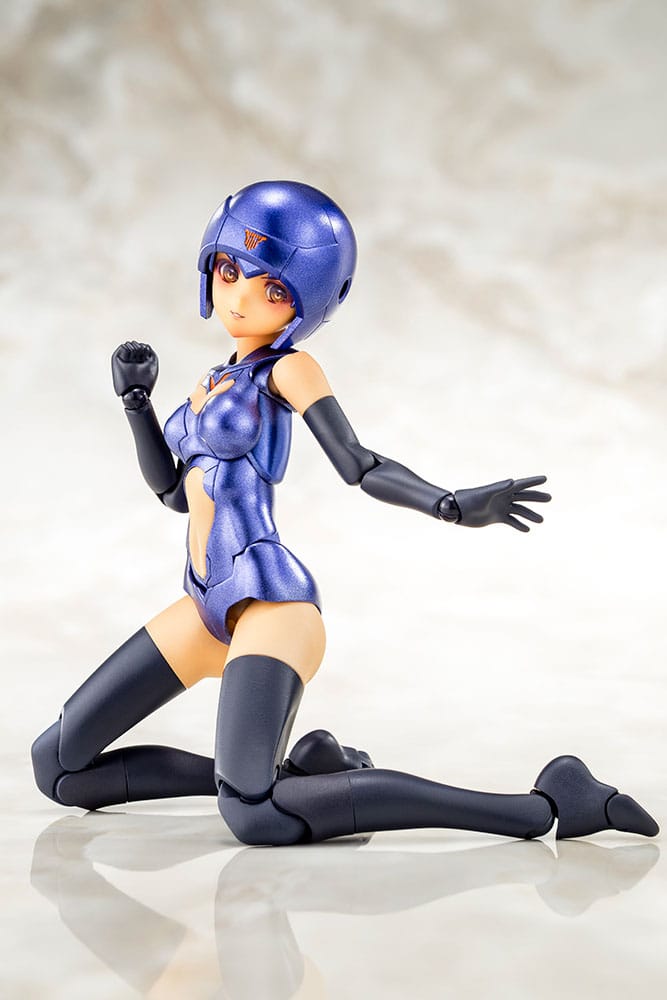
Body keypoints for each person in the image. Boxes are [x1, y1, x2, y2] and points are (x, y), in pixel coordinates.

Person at [32, 181, 659, 845]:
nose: (241, 296)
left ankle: (546, 805)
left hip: (270, 605)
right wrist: (136, 405)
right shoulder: (210, 383)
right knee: (60, 767)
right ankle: (296, 776)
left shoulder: (288, 370)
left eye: (273, 289)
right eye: (230, 270)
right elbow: (173, 494)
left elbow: (358, 463)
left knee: (255, 814)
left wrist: (448, 503)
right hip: (206, 603)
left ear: (303, 304)